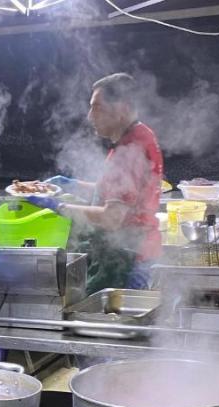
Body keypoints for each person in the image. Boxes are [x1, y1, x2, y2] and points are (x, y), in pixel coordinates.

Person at [31, 73, 163, 291]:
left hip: (125, 260)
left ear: (121, 108)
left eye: (97, 107)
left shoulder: (127, 152)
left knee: (110, 323)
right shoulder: (141, 135)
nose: (90, 116)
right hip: (139, 252)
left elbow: (112, 218)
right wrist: (71, 185)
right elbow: (123, 196)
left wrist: (59, 207)